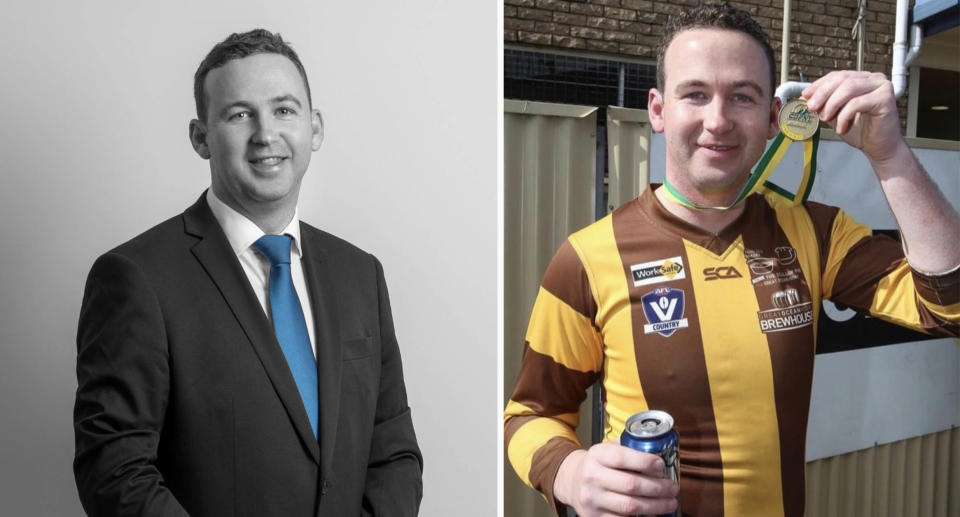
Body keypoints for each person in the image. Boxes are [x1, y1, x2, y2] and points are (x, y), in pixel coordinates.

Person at [503, 3, 959, 516]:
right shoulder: (587, 257)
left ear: (771, 119)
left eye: (741, 96)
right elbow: (528, 414)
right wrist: (568, 472)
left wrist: (890, 153)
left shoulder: (815, 232)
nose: (717, 120)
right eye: (695, 94)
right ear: (658, 110)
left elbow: (949, 308)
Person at [74, 29, 422, 516]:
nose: (266, 134)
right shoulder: (137, 279)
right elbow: (113, 470)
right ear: (201, 138)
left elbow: (393, 452)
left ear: (314, 128)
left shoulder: (360, 274)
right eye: (239, 115)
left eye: (284, 110)